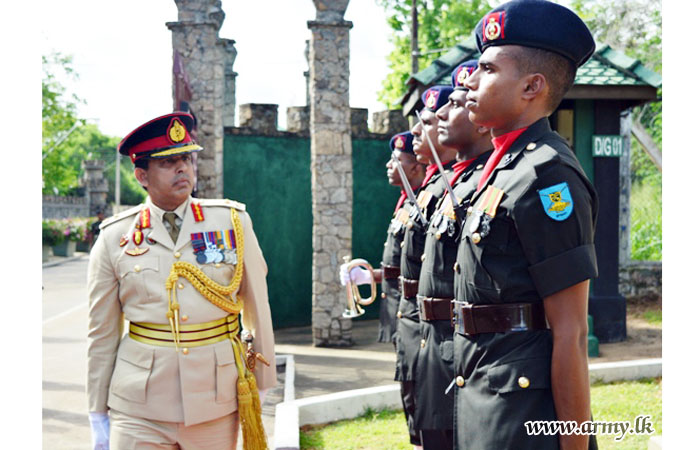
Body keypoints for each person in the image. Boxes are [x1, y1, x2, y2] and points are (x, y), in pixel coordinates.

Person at [452, 1, 598, 449]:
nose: (470, 81)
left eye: (488, 70)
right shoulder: (502, 169)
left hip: (521, 419)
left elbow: (571, 335)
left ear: (532, 86)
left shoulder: (547, 174)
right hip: (481, 394)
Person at [86, 112, 276, 450]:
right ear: (141, 175)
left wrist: (262, 381)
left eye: (187, 159)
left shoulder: (232, 222)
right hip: (138, 405)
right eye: (169, 162)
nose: (183, 168)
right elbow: (102, 333)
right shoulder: (114, 237)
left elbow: (257, 307)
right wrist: (97, 410)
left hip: (214, 401)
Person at [413, 60, 493, 450]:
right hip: (435, 340)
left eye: (457, 103)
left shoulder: (487, 182)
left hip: (467, 348)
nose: (443, 113)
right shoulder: (457, 181)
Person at [377, 131, 426, 343]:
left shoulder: (422, 203)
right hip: (398, 304)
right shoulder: (406, 203)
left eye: (395, 161)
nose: (388, 165)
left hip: (412, 309)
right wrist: (374, 275)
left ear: (415, 167)